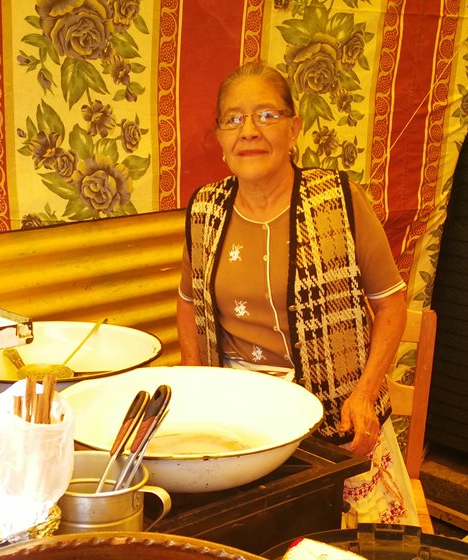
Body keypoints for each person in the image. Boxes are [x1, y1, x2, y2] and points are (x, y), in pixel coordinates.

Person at [176, 62, 419, 525]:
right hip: (241, 422)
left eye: (266, 115)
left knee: (353, 554)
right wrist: (194, 379)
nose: (249, 131)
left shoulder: (338, 200)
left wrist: (365, 395)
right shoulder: (205, 208)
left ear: (294, 128)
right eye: (233, 119)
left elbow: (389, 303)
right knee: (256, 551)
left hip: (337, 417)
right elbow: (188, 300)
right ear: (221, 138)